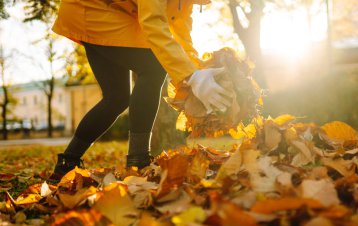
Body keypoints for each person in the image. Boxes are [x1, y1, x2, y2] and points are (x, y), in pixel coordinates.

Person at [49, 0, 232, 180]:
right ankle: (138, 161)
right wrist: (191, 76)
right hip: (91, 9)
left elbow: (182, 35)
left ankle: (67, 163)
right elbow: (152, 22)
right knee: (153, 68)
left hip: (111, 13)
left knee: (116, 98)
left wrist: (196, 71)